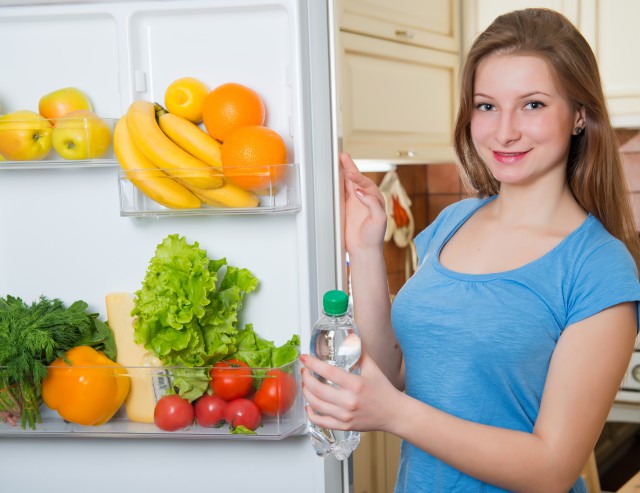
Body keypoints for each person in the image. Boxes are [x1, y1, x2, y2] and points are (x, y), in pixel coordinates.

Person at [300, 8, 640, 493]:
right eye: (486, 106)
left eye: (534, 105)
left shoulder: (598, 267)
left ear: (579, 115)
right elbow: (397, 370)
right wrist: (366, 250)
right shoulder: (455, 222)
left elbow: (552, 468)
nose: (504, 131)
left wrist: (396, 415)